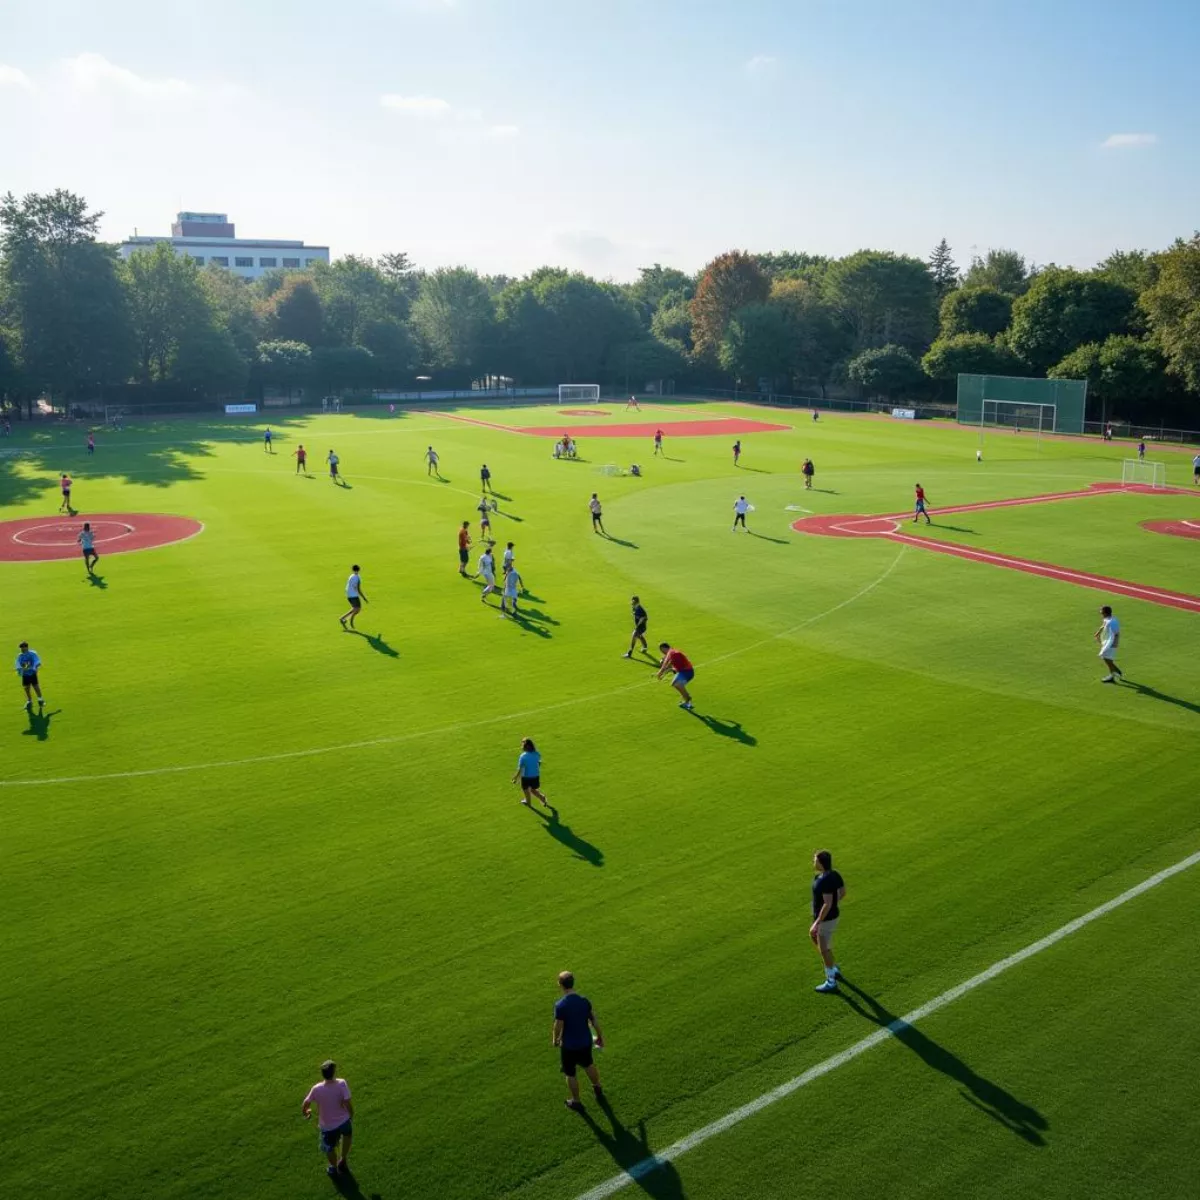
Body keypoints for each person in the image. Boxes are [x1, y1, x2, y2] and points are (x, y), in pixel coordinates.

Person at [552, 971, 604, 1112]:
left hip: (569, 1046)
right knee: (588, 1064)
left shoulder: (561, 1005)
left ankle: (576, 1101)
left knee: (570, 1073)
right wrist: (600, 1037)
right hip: (585, 1042)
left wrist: (555, 1040)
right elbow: (594, 1021)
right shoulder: (584, 1001)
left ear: (560, 985)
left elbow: (558, 1026)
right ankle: (597, 1086)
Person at [302, 1059, 354, 1179]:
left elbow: (306, 1104)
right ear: (334, 1072)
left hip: (328, 1126)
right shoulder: (342, 1083)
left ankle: (334, 1168)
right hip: (344, 1121)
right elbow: (347, 1103)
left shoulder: (316, 1088)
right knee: (347, 1137)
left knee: (330, 1148)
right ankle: (343, 1160)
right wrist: (351, 1115)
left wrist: (306, 1113)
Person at [810, 850, 846, 994]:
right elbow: (842, 892)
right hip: (831, 916)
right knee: (814, 937)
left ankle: (831, 981)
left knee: (824, 949)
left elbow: (827, 903)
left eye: (815, 860)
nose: (813, 862)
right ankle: (833, 968)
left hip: (825, 919)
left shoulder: (823, 880)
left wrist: (817, 921)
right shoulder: (834, 874)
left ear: (821, 863)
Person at [656, 641, 694, 710]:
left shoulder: (671, 653)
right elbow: (670, 667)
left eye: (661, 650)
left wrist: (659, 673)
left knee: (677, 685)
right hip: (685, 671)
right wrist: (663, 674)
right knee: (674, 684)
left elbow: (665, 665)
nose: (662, 652)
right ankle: (686, 698)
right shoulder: (672, 652)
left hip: (687, 672)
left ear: (664, 648)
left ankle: (688, 699)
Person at [512, 736, 548, 806]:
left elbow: (520, 768)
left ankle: (528, 802)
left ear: (524, 747)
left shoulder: (523, 756)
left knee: (525, 789)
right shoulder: (537, 754)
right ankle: (542, 798)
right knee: (533, 789)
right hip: (535, 776)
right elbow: (538, 763)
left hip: (526, 777)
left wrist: (515, 778)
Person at [1095, 604, 1123, 683]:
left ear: (1106, 613)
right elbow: (1103, 625)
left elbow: (1116, 634)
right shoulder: (1107, 619)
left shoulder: (1112, 622)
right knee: (1106, 658)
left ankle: (1113, 675)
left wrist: (1112, 645)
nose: (1100, 613)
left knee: (1106, 658)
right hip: (1106, 642)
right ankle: (1116, 671)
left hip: (1111, 644)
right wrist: (1098, 633)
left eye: (1102, 612)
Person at [15, 642, 44, 711]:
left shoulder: (32, 654)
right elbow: (18, 664)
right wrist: (21, 670)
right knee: (26, 688)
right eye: (21, 648)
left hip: (32, 673)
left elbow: (37, 662)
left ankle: (40, 699)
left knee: (36, 686)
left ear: (26, 647)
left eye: (23, 647)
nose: (22, 649)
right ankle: (29, 701)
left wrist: (34, 667)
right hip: (25, 675)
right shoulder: (20, 656)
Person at [339, 565, 367, 630]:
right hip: (354, 595)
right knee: (357, 609)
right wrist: (364, 598)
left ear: (352, 570)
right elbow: (358, 589)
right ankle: (350, 621)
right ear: (359, 570)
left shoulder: (351, 576)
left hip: (349, 595)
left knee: (355, 609)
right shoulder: (358, 577)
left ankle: (343, 618)